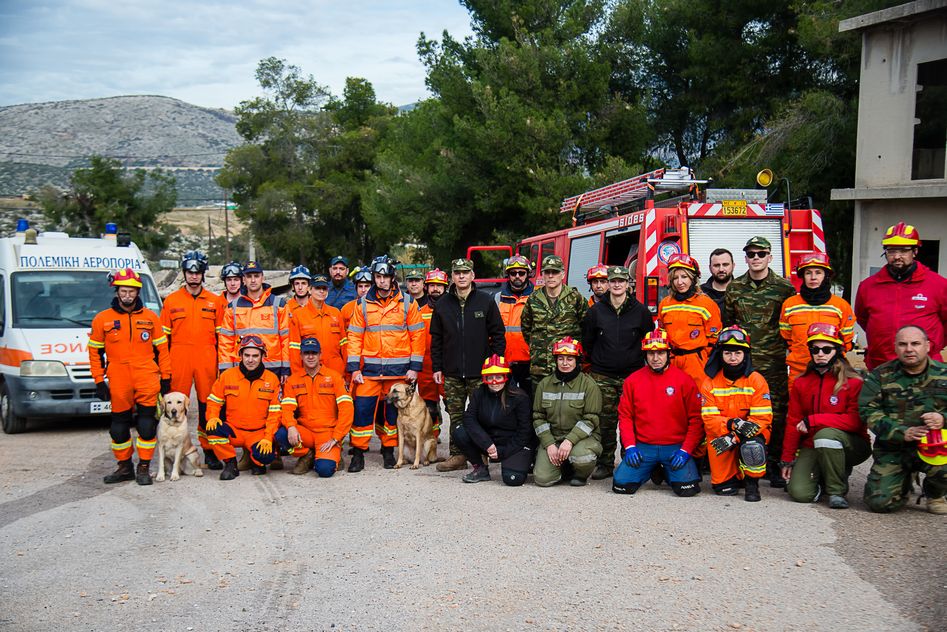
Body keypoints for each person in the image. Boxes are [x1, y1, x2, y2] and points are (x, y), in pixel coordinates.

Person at [723, 236, 795, 488]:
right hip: (743, 363)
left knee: (774, 412)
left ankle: (774, 463)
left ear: (770, 257)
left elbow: (789, 326)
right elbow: (729, 325)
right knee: (740, 411)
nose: (755, 258)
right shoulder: (735, 288)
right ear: (745, 258)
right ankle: (744, 460)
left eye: (760, 254)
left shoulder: (785, 289)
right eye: (751, 254)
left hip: (773, 363)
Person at [89, 267, 171, 485]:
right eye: (124, 291)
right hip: (119, 377)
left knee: (146, 426)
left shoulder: (151, 318)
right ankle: (124, 467)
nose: (128, 295)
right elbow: (95, 352)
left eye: (132, 291)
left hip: (146, 376)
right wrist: (98, 380)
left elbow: (162, 350)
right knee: (118, 428)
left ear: (138, 292)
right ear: (117, 291)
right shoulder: (102, 319)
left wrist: (166, 378)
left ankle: (143, 467)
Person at [346, 255, 425, 472]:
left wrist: (414, 368)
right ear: (374, 278)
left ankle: (389, 452)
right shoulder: (362, 305)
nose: (381, 281)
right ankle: (358, 454)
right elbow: (354, 337)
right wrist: (354, 369)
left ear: (392, 278)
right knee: (361, 413)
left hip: (398, 372)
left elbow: (417, 336)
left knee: (391, 416)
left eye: (385, 277)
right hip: (369, 372)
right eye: (378, 277)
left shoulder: (408, 302)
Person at [780, 323, 870, 509]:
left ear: (837, 351)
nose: (820, 354)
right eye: (815, 349)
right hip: (812, 444)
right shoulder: (801, 383)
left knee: (826, 436)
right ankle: (822, 477)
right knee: (800, 493)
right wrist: (787, 459)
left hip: (851, 445)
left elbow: (855, 422)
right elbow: (793, 422)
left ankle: (836, 491)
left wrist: (813, 420)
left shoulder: (853, 382)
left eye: (826, 349)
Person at [859, 325, 947, 514]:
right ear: (895, 347)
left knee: (943, 469)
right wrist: (901, 432)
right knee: (879, 503)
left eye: (915, 343)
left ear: (928, 346)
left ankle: (936, 493)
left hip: (935, 446)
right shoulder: (880, 375)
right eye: (903, 344)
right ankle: (903, 482)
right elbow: (867, 410)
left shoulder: (944, 374)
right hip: (894, 448)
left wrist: (942, 418)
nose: (909, 349)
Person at [431, 257, 506, 472]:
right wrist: (437, 367)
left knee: (480, 415)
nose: (461, 276)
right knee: (455, 415)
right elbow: (436, 338)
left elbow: (498, 334)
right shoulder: (443, 304)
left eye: (465, 272)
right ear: (452, 277)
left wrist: (494, 362)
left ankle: (481, 454)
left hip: (480, 373)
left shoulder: (485, 300)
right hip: (452, 372)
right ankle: (457, 455)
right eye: (457, 273)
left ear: (473, 275)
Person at [581, 265, 654, 479]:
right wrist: (600, 360)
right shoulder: (595, 311)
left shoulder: (639, 311)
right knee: (605, 421)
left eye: (621, 281)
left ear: (628, 284)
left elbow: (648, 340)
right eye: (613, 281)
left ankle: (629, 459)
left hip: (633, 375)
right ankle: (605, 463)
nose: (616, 285)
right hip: (602, 374)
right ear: (608, 283)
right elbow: (588, 341)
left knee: (632, 420)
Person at [612, 329, 703, 497]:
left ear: (668, 354)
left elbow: (696, 420)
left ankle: (666, 472)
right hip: (643, 447)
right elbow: (625, 417)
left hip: (675, 448)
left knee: (687, 490)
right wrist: (630, 446)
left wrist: (686, 450)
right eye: (651, 353)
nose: (655, 358)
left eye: (660, 353)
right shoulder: (632, 381)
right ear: (645, 355)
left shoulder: (685, 380)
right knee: (621, 486)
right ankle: (651, 467)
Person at [161, 251, 226, 469]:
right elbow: (163, 340)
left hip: (207, 357)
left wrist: (221, 366)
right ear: (184, 274)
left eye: (198, 273)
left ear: (203, 274)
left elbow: (221, 338)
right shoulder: (171, 301)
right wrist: (165, 370)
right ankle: (175, 452)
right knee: (176, 409)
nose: (194, 276)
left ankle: (209, 451)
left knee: (208, 406)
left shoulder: (215, 302)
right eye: (190, 272)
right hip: (179, 357)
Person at [854, 222, 947, 370]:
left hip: (926, 369)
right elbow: (863, 318)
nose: (897, 256)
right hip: (881, 366)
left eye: (903, 251)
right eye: (891, 251)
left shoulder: (938, 285)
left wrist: (932, 346)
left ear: (915, 251)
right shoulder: (867, 286)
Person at [699, 326, 773, 502]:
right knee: (723, 488)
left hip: (750, 436)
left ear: (745, 355)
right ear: (720, 355)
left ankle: (752, 484)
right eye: (728, 353)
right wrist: (732, 424)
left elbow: (761, 420)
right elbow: (709, 421)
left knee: (753, 445)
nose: (733, 358)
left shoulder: (756, 380)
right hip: (720, 436)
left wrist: (734, 438)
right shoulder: (709, 383)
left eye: (738, 353)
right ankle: (735, 475)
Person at [205, 335, 282, 480]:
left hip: (258, 433)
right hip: (234, 430)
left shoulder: (272, 379)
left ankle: (255, 460)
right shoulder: (227, 376)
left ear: (262, 356)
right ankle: (230, 463)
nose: (250, 360)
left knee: (265, 457)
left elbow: (275, 414)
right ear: (240, 355)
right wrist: (213, 417)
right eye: (246, 355)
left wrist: (268, 437)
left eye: (255, 355)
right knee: (212, 429)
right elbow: (214, 401)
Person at [275, 337, 354, 477]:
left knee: (324, 470)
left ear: (320, 355)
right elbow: (286, 409)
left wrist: (336, 437)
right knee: (281, 434)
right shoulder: (293, 380)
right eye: (306, 353)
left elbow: (347, 410)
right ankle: (307, 455)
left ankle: (334, 455)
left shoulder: (334, 377)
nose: (310, 356)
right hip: (305, 431)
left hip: (328, 433)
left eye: (314, 353)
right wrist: (291, 426)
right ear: (301, 355)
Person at [452, 355, 536, 485]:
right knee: (459, 432)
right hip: (490, 442)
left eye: (498, 377)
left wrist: (503, 452)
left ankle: (524, 463)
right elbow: (469, 418)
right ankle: (480, 468)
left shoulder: (520, 397)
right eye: (490, 377)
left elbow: (525, 432)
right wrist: (487, 444)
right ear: (485, 379)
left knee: (513, 479)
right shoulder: (479, 393)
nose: (494, 381)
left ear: (505, 377)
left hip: (513, 444)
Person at [532, 337, 602, 487]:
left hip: (581, 439)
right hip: (554, 437)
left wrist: (569, 441)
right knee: (542, 479)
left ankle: (579, 473)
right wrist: (549, 444)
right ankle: (563, 467)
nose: (565, 363)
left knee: (583, 457)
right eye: (561, 359)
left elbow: (591, 419)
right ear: (555, 360)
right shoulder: (544, 384)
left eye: (570, 359)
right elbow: (538, 417)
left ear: (577, 361)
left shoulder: (589, 385)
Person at [779, 253, 856, 388]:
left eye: (818, 272)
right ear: (802, 276)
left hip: (831, 372)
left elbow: (846, 342)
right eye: (808, 273)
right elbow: (786, 338)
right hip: (799, 372)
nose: (813, 277)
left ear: (826, 275)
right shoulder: (790, 305)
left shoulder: (841, 306)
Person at [521, 255, 588, 383]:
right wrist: (538, 347)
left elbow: (586, 327)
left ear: (562, 274)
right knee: (540, 401)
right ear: (543, 275)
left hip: (568, 365)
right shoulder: (533, 299)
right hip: (540, 366)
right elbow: (526, 328)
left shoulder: (575, 298)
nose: (551, 276)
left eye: (555, 272)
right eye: (547, 272)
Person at [657, 253, 721, 386]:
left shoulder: (707, 304)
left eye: (684, 277)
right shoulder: (665, 304)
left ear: (693, 279)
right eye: (675, 278)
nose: (680, 282)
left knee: (697, 403)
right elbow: (662, 333)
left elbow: (715, 339)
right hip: (672, 361)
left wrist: (704, 360)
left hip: (697, 363)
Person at [218, 260, 289, 379]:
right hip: (241, 369)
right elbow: (225, 342)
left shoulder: (279, 305)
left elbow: (286, 339)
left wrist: (286, 369)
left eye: (256, 276)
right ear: (244, 280)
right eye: (249, 276)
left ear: (263, 278)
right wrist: (225, 370)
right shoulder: (233, 308)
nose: (253, 280)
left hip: (272, 368)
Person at [287, 272, 345, 375]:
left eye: (324, 288)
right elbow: (294, 349)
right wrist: (297, 375)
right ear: (310, 289)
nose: (321, 291)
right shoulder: (298, 315)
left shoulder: (336, 313)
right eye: (318, 288)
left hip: (336, 371)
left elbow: (344, 346)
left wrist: (348, 373)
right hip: (311, 373)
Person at [494, 255, 534, 397]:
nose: (517, 276)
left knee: (530, 403)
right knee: (505, 403)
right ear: (508, 275)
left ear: (528, 274)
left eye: (521, 273)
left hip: (530, 362)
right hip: (505, 361)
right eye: (513, 273)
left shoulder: (537, 298)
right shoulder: (497, 298)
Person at [417, 268, 448, 436]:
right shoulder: (419, 313)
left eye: (439, 285)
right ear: (426, 287)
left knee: (453, 406)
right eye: (432, 285)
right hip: (426, 368)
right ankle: (432, 440)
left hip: (448, 366)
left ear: (445, 287)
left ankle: (457, 446)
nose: (435, 289)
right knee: (429, 407)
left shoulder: (453, 309)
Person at [700, 248, 734, 315]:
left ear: (733, 266)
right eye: (716, 265)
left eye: (725, 264)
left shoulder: (743, 291)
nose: (721, 269)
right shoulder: (699, 292)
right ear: (710, 268)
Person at [340, 267, 373, 331]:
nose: (363, 290)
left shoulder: (380, 308)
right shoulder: (346, 308)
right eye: (360, 286)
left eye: (367, 286)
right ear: (356, 288)